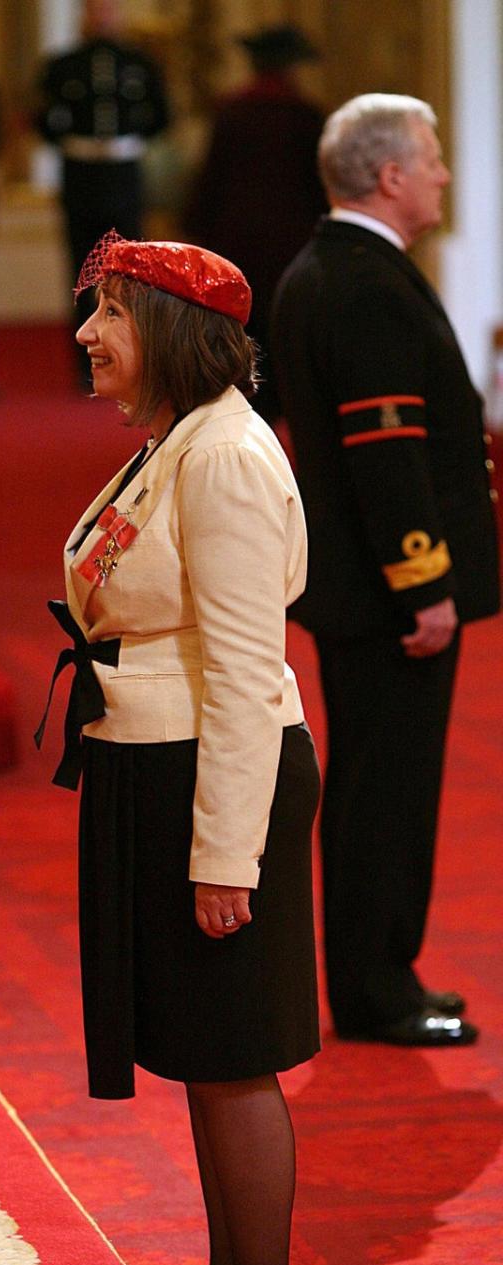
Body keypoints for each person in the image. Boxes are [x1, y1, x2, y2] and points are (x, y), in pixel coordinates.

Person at [36, 230, 321, 1265]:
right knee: (207, 1050)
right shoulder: (175, 444)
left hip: (219, 769)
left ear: (167, 329)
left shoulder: (227, 459)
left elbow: (253, 671)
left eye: (107, 311)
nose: (85, 335)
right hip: (157, 756)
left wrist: (227, 856)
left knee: (236, 1052)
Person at [271, 94, 500, 1047]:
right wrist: (425, 583)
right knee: (384, 791)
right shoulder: (363, 282)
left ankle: (383, 973)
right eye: (435, 159)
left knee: (380, 785)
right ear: (391, 175)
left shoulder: (332, 268)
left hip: (357, 588)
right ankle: (376, 990)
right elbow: (385, 449)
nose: (446, 175)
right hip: (386, 593)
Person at [184, 24, 326, 424]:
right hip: (291, 248)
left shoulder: (231, 112)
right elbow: (318, 187)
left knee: (242, 333)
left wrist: (200, 236)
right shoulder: (305, 116)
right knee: (285, 335)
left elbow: (211, 180)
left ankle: (239, 416)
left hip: (237, 246)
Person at [35, 0, 169, 371]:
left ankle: (128, 350)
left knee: (129, 268)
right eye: (95, 10)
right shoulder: (63, 66)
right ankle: (85, 360)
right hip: (81, 174)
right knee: (82, 267)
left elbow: (161, 114)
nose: (102, 17)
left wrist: (131, 139)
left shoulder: (139, 64)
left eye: (108, 9)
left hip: (124, 173)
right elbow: (41, 116)